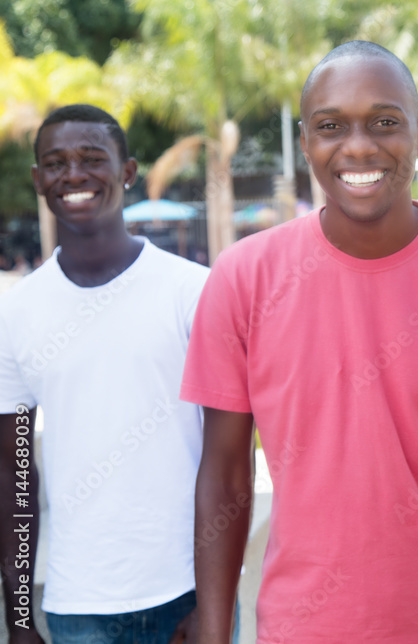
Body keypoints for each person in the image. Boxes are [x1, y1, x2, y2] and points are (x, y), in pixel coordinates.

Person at [180, 41, 418, 644]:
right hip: (304, 626)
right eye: (331, 127)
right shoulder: (244, 276)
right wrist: (213, 632)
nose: (358, 146)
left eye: (385, 122)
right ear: (305, 142)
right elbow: (224, 474)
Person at [0, 105, 210, 643]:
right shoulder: (15, 316)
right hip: (79, 606)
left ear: (127, 171)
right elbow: (15, 478)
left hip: (187, 591)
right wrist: (20, 618)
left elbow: (227, 456)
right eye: (56, 163)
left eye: (92, 159)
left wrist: (212, 600)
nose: (74, 175)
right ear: (38, 179)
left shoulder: (193, 292)